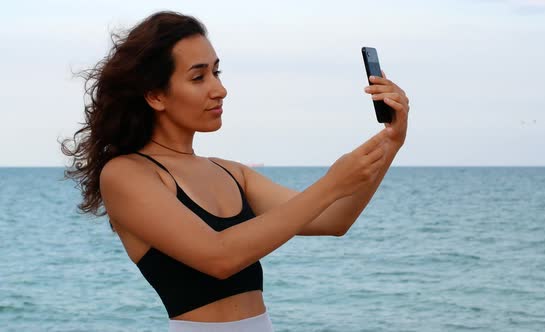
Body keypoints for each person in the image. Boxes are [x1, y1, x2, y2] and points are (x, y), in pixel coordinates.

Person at [61, 11, 409, 332]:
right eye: (199, 76)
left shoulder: (230, 173)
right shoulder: (127, 174)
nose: (219, 89)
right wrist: (332, 183)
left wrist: (391, 141)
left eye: (217, 72)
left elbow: (335, 219)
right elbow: (220, 256)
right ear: (155, 96)